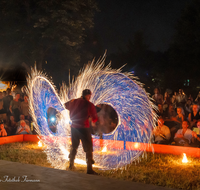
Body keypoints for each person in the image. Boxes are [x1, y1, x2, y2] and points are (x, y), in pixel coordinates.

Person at [64, 89, 98, 175]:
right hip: (84, 128)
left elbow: (64, 105)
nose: (90, 97)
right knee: (88, 148)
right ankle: (89, 169)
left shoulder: (73, 101)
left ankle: (71, 165)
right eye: (90, 96)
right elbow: (95, 118)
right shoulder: (89, 105)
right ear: (88, 95)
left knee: (74, 146)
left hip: (74, 127)